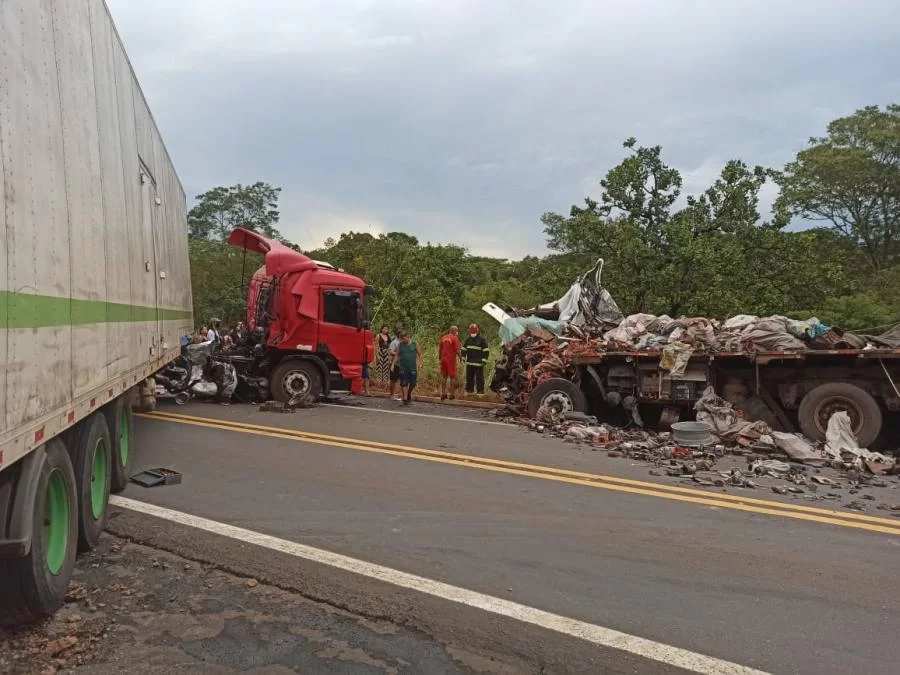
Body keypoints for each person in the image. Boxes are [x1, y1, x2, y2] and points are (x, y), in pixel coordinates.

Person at [392, 330, 421, 405]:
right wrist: (392, 364)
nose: (402, 340)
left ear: (408, 337)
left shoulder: (414, 344)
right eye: (401, 339)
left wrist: (421, 363)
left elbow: (420, 354)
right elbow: (397, 355)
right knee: (404, 383)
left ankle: (408, 393)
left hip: (412, 367)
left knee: (413, 383)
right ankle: (405, 399)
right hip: (403, 367)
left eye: (404, 338)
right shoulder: (400, 345)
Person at [463, 323, 489, 395]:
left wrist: (484, 360)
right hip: (470, 363)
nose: (472, 333)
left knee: (479, 379)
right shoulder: (468, 339)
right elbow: (464, 348)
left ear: (477, 331)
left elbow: (486, 350)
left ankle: (480, 393)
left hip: (479, 363)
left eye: (473, 331)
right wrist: (463, 357)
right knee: (469, 378)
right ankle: (469, 392)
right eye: (471, 331)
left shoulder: (482, 340)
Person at [438, 325, 461, 401]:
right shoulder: (455, 338)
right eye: (456, 330)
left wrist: (440, 359)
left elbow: (440, 350)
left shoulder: (443, 337)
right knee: (452, 377)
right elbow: (457, 350)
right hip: (451, 359)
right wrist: (461, 358)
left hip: (443, 359)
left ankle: (443, 394)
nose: (457, 332)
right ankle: (452, 394)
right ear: (453, 331)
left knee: (444, 376)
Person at [388, 332, 402, 400]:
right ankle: (392, 395)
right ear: (399, 335)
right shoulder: (394, 342)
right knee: (393, 380)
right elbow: (390, 352)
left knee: (398, 380)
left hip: (401, 364)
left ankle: (394, 395)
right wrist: (398, 353)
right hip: (394, 363)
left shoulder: (403, 342)